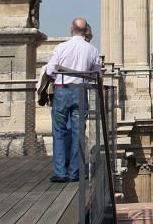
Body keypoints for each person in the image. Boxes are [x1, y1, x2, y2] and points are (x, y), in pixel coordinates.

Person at [42, 17, 102, 183]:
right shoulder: (92, 50)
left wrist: (61, 75)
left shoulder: (62, 47)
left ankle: (60, 172)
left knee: (59, 131)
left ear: (71, 29)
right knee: (78, 133)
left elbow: (50, 70)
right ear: (86, 31)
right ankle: (75, 172)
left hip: (62, 91)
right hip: (80, 92)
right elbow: (97, 74)